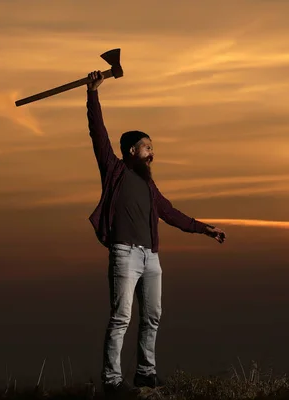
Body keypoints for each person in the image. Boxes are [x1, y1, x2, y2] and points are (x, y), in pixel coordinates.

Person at [85, 70, 226, 397]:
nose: (152, 152)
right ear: (132, 150)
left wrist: (205, 229)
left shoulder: (149, 186)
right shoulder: (115, 171)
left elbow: (170, 212)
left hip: (151, 258)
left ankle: (146, 373)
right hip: (124, 254)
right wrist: (92, 94)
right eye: (148, 147)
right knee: (121, 318)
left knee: (152, 316)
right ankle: (112, 381)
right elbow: (98, 134)